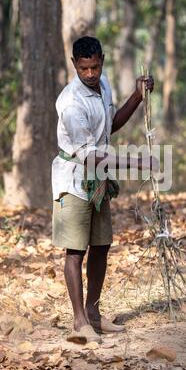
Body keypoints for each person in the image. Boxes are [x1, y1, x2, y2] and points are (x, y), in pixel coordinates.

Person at [52, 36, 155, 343]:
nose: (90, 74)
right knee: (75, 250)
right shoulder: (70, 103)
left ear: (102, 61)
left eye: (95, 66)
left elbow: (108, 126)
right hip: (73, 179)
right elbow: (88, 154)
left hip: (98, 177)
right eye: (83, 68)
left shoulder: (105, 86)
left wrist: (136, 97)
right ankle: (79, 321)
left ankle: (94, 313)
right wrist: (135, 162)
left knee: (101, 245)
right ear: (74, 65)